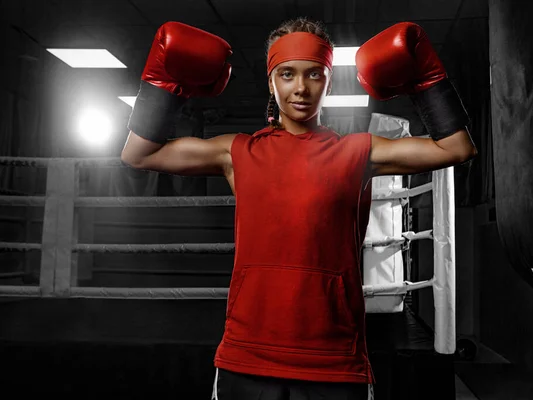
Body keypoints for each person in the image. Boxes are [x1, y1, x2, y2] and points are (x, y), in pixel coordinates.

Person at [121, 17, 477, 400]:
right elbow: (139, 154)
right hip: (248, 354)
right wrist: (163, 88)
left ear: (328, 80)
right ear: (270, 81)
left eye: (315, 75)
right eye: (287, 74)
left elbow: (456, 148)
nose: (301, 88)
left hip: (336, 359)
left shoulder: (358, 152)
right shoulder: (238, 151)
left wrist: (427, 84)